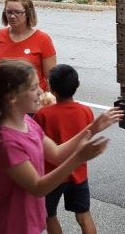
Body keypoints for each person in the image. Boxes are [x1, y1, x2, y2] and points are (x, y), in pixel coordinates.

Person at [0, 59, 124, 234]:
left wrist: (93, 128)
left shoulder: (28, 122)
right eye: (33, 88)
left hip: (28, 222)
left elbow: (57, 154)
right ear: (12, 97)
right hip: (10, 226)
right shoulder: (5, 143)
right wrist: (79, 158)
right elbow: (37, 187)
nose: (41, 92)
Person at [34, 64, 97, 234]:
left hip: (53, 175)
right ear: (77, 85)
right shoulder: (86, 111)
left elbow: (38, 142)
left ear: (52, 88)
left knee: (49, 215)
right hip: (79, 173)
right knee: (83, 216)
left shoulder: (43, 114)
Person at [0, 0, 56, 97]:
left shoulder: (43, 39)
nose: (12, 16)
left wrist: (48, 104)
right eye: (9, 12)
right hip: (2, 102)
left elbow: (52, 79)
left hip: (31, 104)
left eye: (18, 12)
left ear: (28, 13)